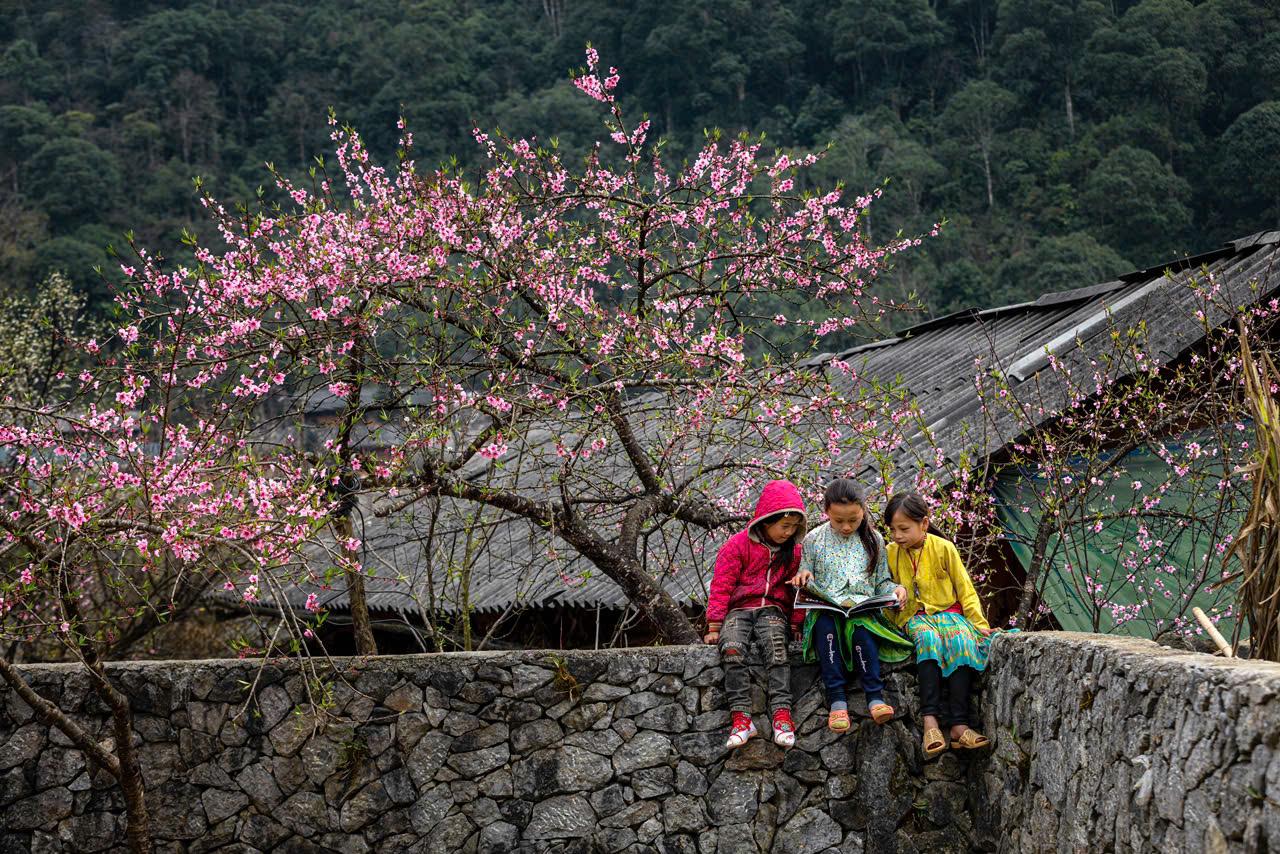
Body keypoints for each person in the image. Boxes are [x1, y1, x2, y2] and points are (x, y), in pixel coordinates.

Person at [792, 479, 912, 732]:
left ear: (864, 511)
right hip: (827, 608)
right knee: (826, 630)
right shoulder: (814, 540)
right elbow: (806, 571)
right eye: (838, 521)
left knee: (861, 632)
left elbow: (882, 582)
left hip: (862, 610)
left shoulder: (874, 540)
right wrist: (804, 578)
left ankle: (875, 697)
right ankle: (837, 700)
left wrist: (896, 590)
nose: (846, 527)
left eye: (853, 520)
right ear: (826, 512)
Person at [884, 491, 993, 757]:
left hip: (950, 614)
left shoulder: (944, 548)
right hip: (914, 618)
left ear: (924, 523)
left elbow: (964, 588)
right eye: (893, 530)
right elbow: (884, 587)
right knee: (928, 640)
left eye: (904, 529)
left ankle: (959, 725)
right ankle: (930, 721)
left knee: (961, 641)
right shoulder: (890, 553)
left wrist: (978, 623)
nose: (898, 536)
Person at [704, 479, 807, 749]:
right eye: (784, 526)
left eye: (794, 528)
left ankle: (782, 715)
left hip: (773, 610)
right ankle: (741, 718)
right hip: (739, 609)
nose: (788, 533)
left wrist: (797, 622)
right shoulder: (737, 546)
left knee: (776, 648)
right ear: (766, 520)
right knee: (733, 649)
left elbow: (798, 591)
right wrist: (715, 625)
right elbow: (722, 584)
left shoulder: (794, 553)